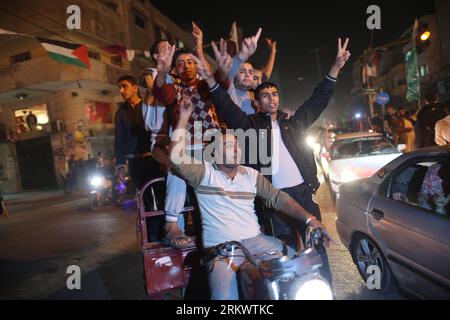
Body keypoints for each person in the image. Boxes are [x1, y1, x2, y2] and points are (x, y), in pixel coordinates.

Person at [195, 37, 351, 284]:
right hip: (275, 201)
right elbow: (225, 106)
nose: (271, 99)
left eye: (274, 94)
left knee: (318, 252)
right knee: (284, 258)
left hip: (303, 196)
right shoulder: (251, 127)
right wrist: (210, 79)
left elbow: (318, 99)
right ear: (256, 103)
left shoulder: (294, 123)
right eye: (265, 96)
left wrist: (336, 67)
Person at [169, 97, 330, 300]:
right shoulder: (204, 173)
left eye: (236, 144)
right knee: (224, 297)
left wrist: (310, 220)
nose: (236, 149)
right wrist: (183, 117)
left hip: (257, 242)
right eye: (229, 146)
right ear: (215, 153)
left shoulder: (250, 175)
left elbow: (278, 198)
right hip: (222, 249)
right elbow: (175, 159)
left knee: (301, 273)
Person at [151, 24, 235, 248]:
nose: (186, 67)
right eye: (180, 63)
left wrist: (200, 47)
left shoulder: (206, 86)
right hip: (187, 148)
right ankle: (171, 225)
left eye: (190, 62)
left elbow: (222, 80)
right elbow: (160, 91)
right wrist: (161, 71)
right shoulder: (175, 90)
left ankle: (227, 223)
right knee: (176, 169)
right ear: (174, 70)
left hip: (212, 148)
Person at [114, 75, 163, 190]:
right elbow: (119, 139)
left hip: (154, 158)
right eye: (120, 87)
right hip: (134, 161)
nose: (121, 90)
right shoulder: (121, 113)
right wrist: (120, 164)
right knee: (143, 196)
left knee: (160, 192)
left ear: (135, 88)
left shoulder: (148, 106)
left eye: (124, 86)